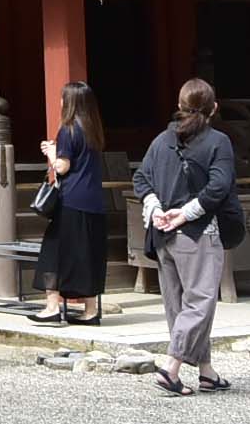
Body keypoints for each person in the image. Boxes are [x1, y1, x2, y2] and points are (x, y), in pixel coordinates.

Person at [134, 77, 238, 395]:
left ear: (179, 106)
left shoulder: (162, 139)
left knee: (178, 306)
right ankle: (172, 367)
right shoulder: (218, 141)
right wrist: (186, 213)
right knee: (200, 302)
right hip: (197, 234)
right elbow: (219, 187)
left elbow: (141, 177)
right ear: (214, 108)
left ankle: (206, 371)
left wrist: (155, 209)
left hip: (163, 233)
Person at [34, 81, 109, 326]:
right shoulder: (93, 130)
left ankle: (52, 306)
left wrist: (51, 153)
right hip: (95, 202)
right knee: (88, 254)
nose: (60, 102)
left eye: (63, 98)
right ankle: (90, 310)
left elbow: (62, 167)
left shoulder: (68, 129)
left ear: (70, 103)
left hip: (72, 202)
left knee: (52, 252)